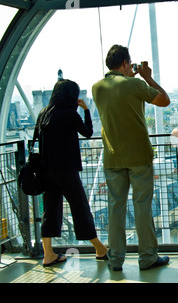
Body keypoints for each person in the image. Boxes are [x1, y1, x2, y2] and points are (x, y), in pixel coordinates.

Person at [92, 45, 170, 271]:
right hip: (138, 156)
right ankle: (147, 257)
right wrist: (148, 78)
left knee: (116, 208)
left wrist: (130, 76)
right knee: (142, 207)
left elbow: (118, 92)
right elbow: (164, 100)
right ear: (126, 63)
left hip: (112, 158)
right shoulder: (136, 84)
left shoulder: (97, 88)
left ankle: (115, 259)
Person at [36, 79, 108, 267]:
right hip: (67, 170)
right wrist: (85, 110)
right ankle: (99, 248)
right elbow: (88, 132)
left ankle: (48, 254)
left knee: (50, 212)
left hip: (47, 171)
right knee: (80, 209)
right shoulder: (70, 114)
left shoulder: (44, 114)